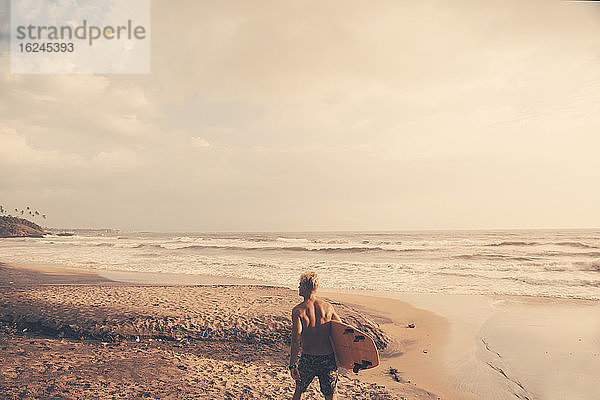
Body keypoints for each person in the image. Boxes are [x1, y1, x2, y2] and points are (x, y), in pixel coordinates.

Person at [289, 272, 341, 400]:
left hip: (308, 359)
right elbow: (341, 332)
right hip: (328, 359)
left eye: (300, 285)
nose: (298, 287)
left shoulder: (298, 311)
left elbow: (296, 340)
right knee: (330, 395)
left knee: (299, 391)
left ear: (306, 288)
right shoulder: (328, 308)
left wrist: (292, 364)